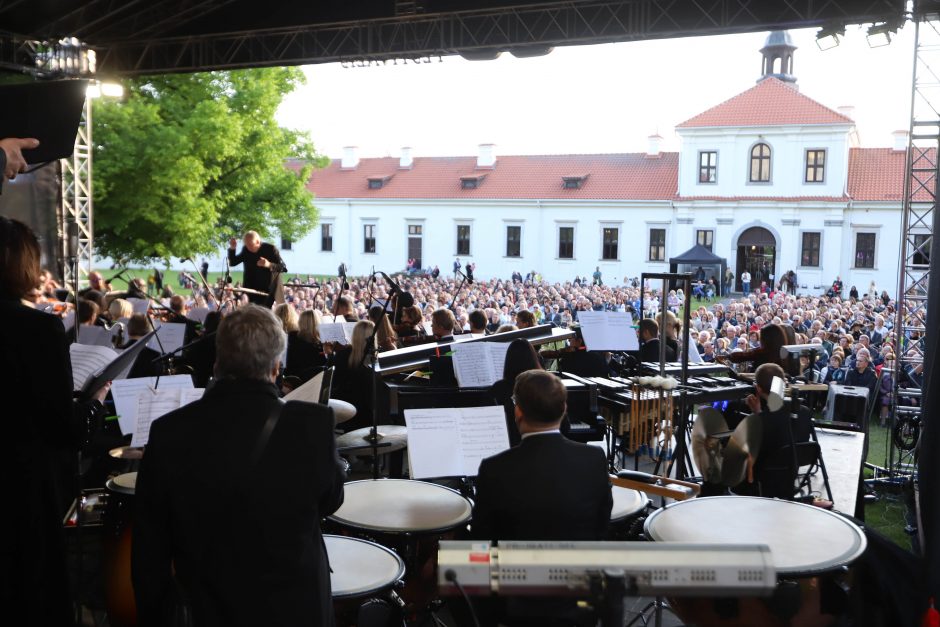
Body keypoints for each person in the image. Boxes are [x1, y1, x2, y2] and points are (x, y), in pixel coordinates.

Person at [132, 305, 346, 626]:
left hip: (208, 610)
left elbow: (149, 553)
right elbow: (331, 500)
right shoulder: (313, 425)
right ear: (276, 367)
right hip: (295, 609)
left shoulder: (168, 432)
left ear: (218, 362)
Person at [0, 217, 109, 625]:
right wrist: (95, 400)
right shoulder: (39, 328)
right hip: (23, 492)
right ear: (24, 265)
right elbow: (67, 430)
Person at [473, 369, 612, 541]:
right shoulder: (595, 457)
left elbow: (482, 537)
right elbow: (602, 524)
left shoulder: (493, 468)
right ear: (564, 408)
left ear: (518, 412)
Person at [734, 363, 796, 499]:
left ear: (758, 388)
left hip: (762, 481)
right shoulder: (795, 411)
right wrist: (759, 413)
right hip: (786, 480)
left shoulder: (760, 422)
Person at [228, 231, 287, 306]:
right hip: (252, 290)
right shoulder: (246, 250)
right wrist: (232, 248)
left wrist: (269, 264)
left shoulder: (270, 249)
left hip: (269, 291)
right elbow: (233, 262)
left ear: (258, 242)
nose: (248, 247)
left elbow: (283, 268)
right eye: (246, 245)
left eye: (250, 245)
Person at [286, 309, 326, 382]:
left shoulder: (291, 338)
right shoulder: (323, 342)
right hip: (317, 381)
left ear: (300, 322)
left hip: (294, 380)